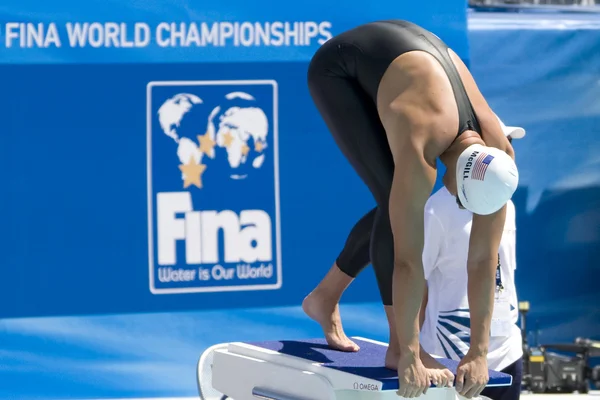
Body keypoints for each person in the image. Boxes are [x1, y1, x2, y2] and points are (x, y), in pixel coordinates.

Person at [302, 20, 519, 399]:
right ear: (459, 184)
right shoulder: (423, 145)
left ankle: (324, 297)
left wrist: (478, 352)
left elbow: (483, 261)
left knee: (400, 204)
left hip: (412, 58)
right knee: (394, 201)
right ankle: (397, 347)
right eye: (465, 205)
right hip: (341, 66)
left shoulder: (498, 155)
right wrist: (412, 353)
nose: (463, 211)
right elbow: (407, 262)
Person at [419, 128, 526, 400]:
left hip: (507, 350)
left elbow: (499, 270)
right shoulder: (436, 208)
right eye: (503, 142)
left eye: (511, 143)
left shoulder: (506, 201)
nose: (508, 150)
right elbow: (416, 280)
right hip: (451, 358)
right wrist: (416, 352)